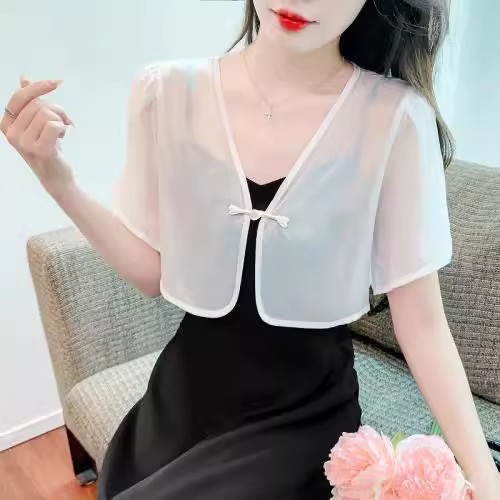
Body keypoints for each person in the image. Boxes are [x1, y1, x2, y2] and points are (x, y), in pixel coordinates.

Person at [2, 0, 499, 498]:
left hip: (300, 417)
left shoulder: (394, 119)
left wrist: (485, 476)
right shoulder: (166, 93)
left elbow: (423, 326)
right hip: (182, 400)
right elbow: (152, 273)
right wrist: (57, 178)